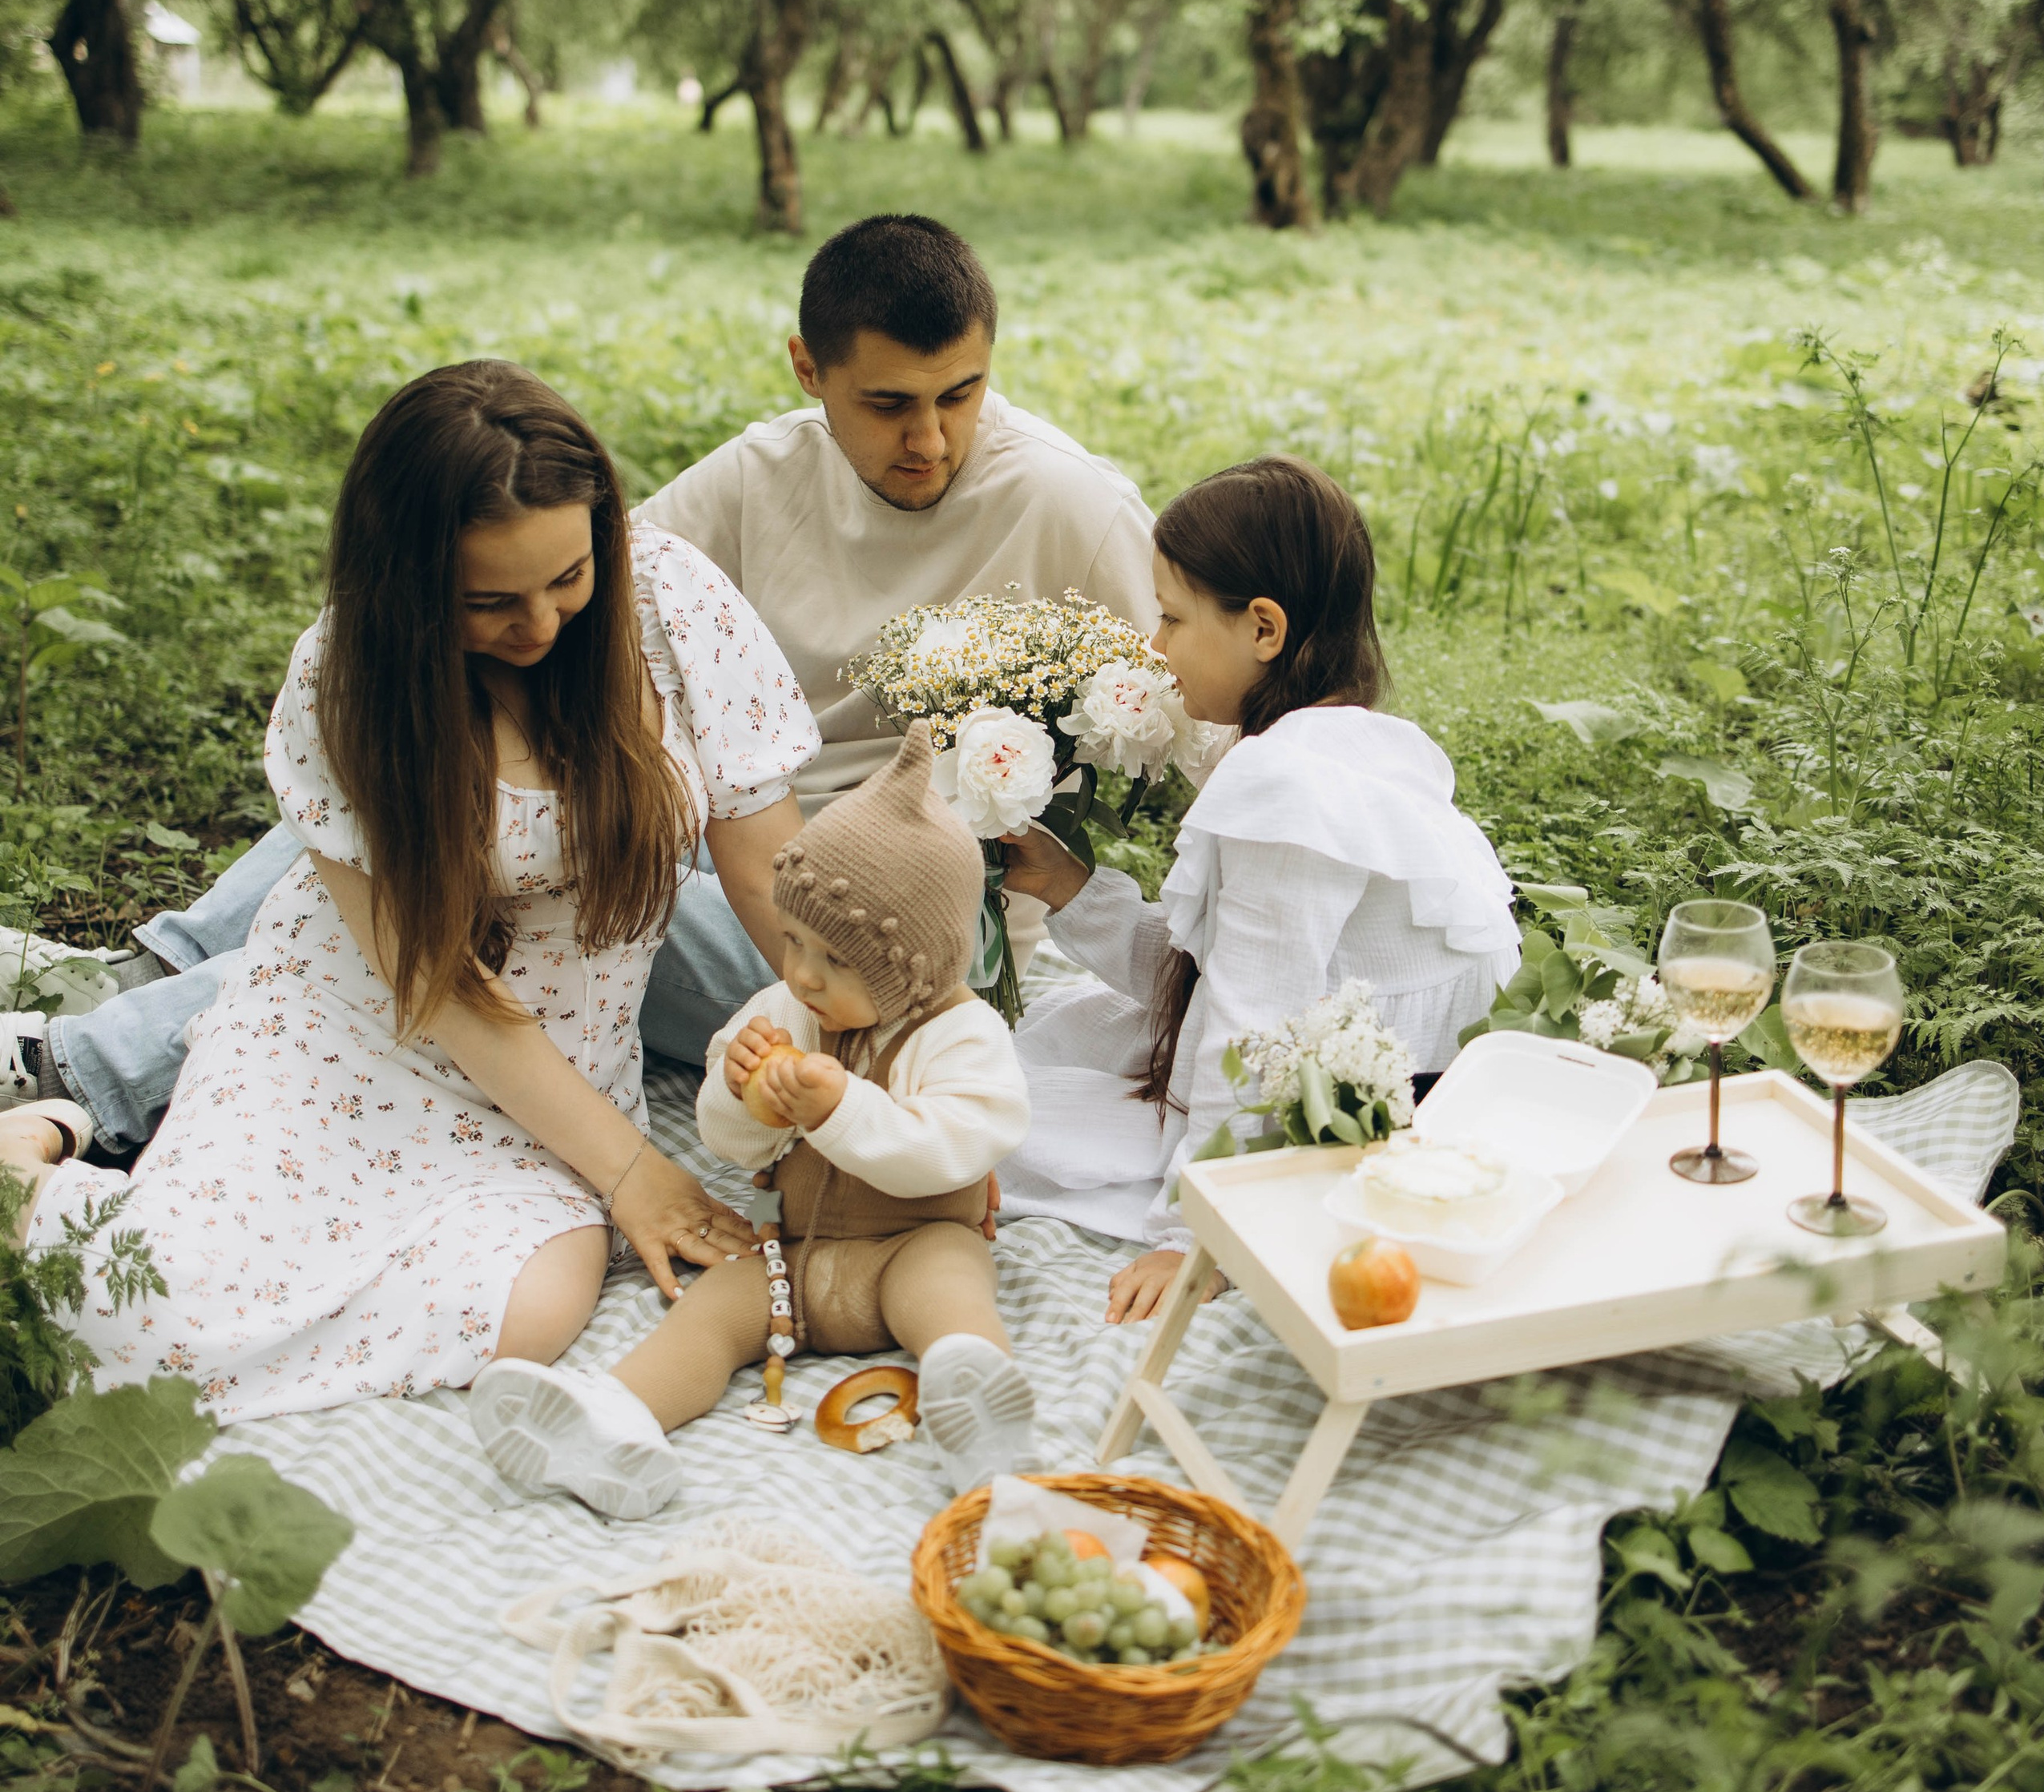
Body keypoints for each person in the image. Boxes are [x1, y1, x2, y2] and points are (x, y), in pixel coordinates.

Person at [3, 215, 1155, 1145]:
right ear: (810, 370)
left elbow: (1184, 700)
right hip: (697, 827)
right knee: (434, 815)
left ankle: (87, 1066)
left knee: (521, 917)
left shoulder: (1070, 502)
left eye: (963, 395)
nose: (934, 441)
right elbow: (583, 613)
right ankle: (159, 967)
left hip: (847, 904)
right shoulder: (761, 474)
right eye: (890, 404)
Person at [0, 364, 816, 1420]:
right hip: (355, 1031)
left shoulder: (673, 603)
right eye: (490, 602)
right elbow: (435, 981)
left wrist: (878, 1070)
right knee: (151, 1322)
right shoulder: (347, 677)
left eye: (568, 578)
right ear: (412, 585)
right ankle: (36, 1167)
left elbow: (770, 879)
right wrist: (633, 1176)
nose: (541, 625)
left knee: (527, 1311)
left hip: (563, 1069)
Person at [996, 457, 1523, 1323]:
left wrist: (1193, 1236)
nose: (1154, 647)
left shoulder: (1289, 785)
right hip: (1352, 1058)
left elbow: (1250, 1016)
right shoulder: (1350, 743)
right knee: (1041, 1050)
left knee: (991, 1124)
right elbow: (1214, 972)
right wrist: (1071, 887)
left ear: (1264, 630)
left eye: (1170, 618)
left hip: (1366, 1108)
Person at [470, 724, 1035, 1516]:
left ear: (917, 968)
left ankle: (973, 1405)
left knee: (950, 1289)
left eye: (833, 962)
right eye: (794, 941)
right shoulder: (788, 1009)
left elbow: (949, 1152)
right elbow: (729, 1145)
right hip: (792, 1252)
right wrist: (742, 1097)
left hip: (911, 1242)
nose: (799, 974)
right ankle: (615, 1421)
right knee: (708, 1316)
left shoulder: (961, 1038)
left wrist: (842, 1109)